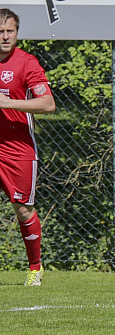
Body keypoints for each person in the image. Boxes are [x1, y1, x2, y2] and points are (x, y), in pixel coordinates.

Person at [0, 8, 55, 286]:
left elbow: (48, 104)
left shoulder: (26, 63)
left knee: (23, 210)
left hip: (17, 149)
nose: (5, 36)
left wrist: (9, 103)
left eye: (10, 31)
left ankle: (35, 267)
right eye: (0, 31)